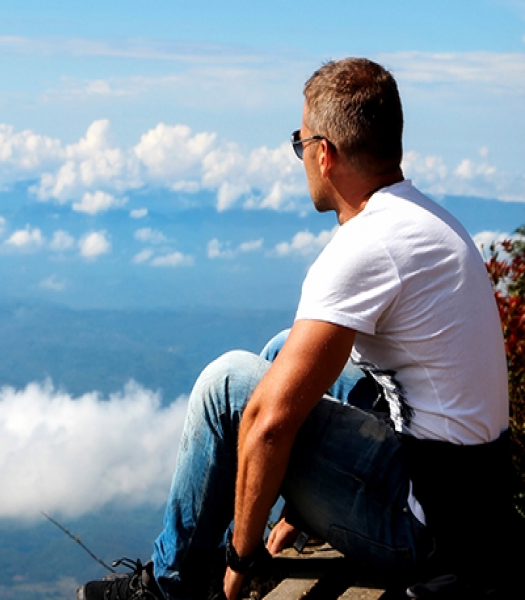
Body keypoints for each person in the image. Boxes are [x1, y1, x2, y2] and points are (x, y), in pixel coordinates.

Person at [77, 57, 513, 600]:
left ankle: (175, 586)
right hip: (471, 497)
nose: (301, 156)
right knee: (282, 353)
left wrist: (242, 558)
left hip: (429, 529)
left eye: (300, 142)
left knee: (229, 388)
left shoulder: (365, 246)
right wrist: (298, 506)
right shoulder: (426, 219)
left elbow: (266, 423)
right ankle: (208, 556)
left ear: (324, 154)